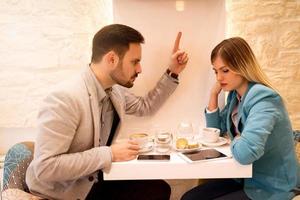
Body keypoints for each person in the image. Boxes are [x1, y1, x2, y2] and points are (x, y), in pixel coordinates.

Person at [26, 24, 188, 200]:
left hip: (93, 180)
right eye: (135, 61)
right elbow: (45, 167)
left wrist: (173, 72)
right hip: (64, 193)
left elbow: (145, 107)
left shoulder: (114, 91)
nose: (140, 69)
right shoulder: (65, 98)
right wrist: (109, 154)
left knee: (158, 189)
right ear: (111, 59)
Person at [181, 37, 299, 200]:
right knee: (190, 198)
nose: (219, 78)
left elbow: (246, 153)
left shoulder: (264, 99)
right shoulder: (236, 97)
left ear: (242, 66)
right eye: (216, 71)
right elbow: (218, 131)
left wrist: (236, 138)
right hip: (243, 176)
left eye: (225, 70)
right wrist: (213, 95)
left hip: (270, 185)